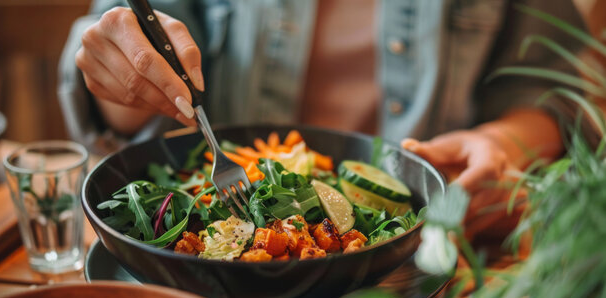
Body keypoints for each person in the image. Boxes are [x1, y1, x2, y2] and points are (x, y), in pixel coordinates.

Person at [59, 0, 585, 237]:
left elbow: (553, 88)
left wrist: (500, 142)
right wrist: (123, 76)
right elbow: (128, 48)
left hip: (432, 255)